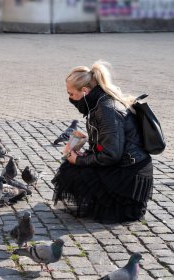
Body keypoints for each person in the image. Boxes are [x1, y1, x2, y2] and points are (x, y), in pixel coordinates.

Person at [52, 60, 153, 223]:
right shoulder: (99, 102)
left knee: (71, 171)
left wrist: (80, 159)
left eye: (71, 94)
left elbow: (111, 154)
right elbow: (109, 143)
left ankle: (115, 203)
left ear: (85, 91)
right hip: (124, 165)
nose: (70, 98)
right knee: (72, 166)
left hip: (129, 174)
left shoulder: (106, 109)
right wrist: (83, 144)